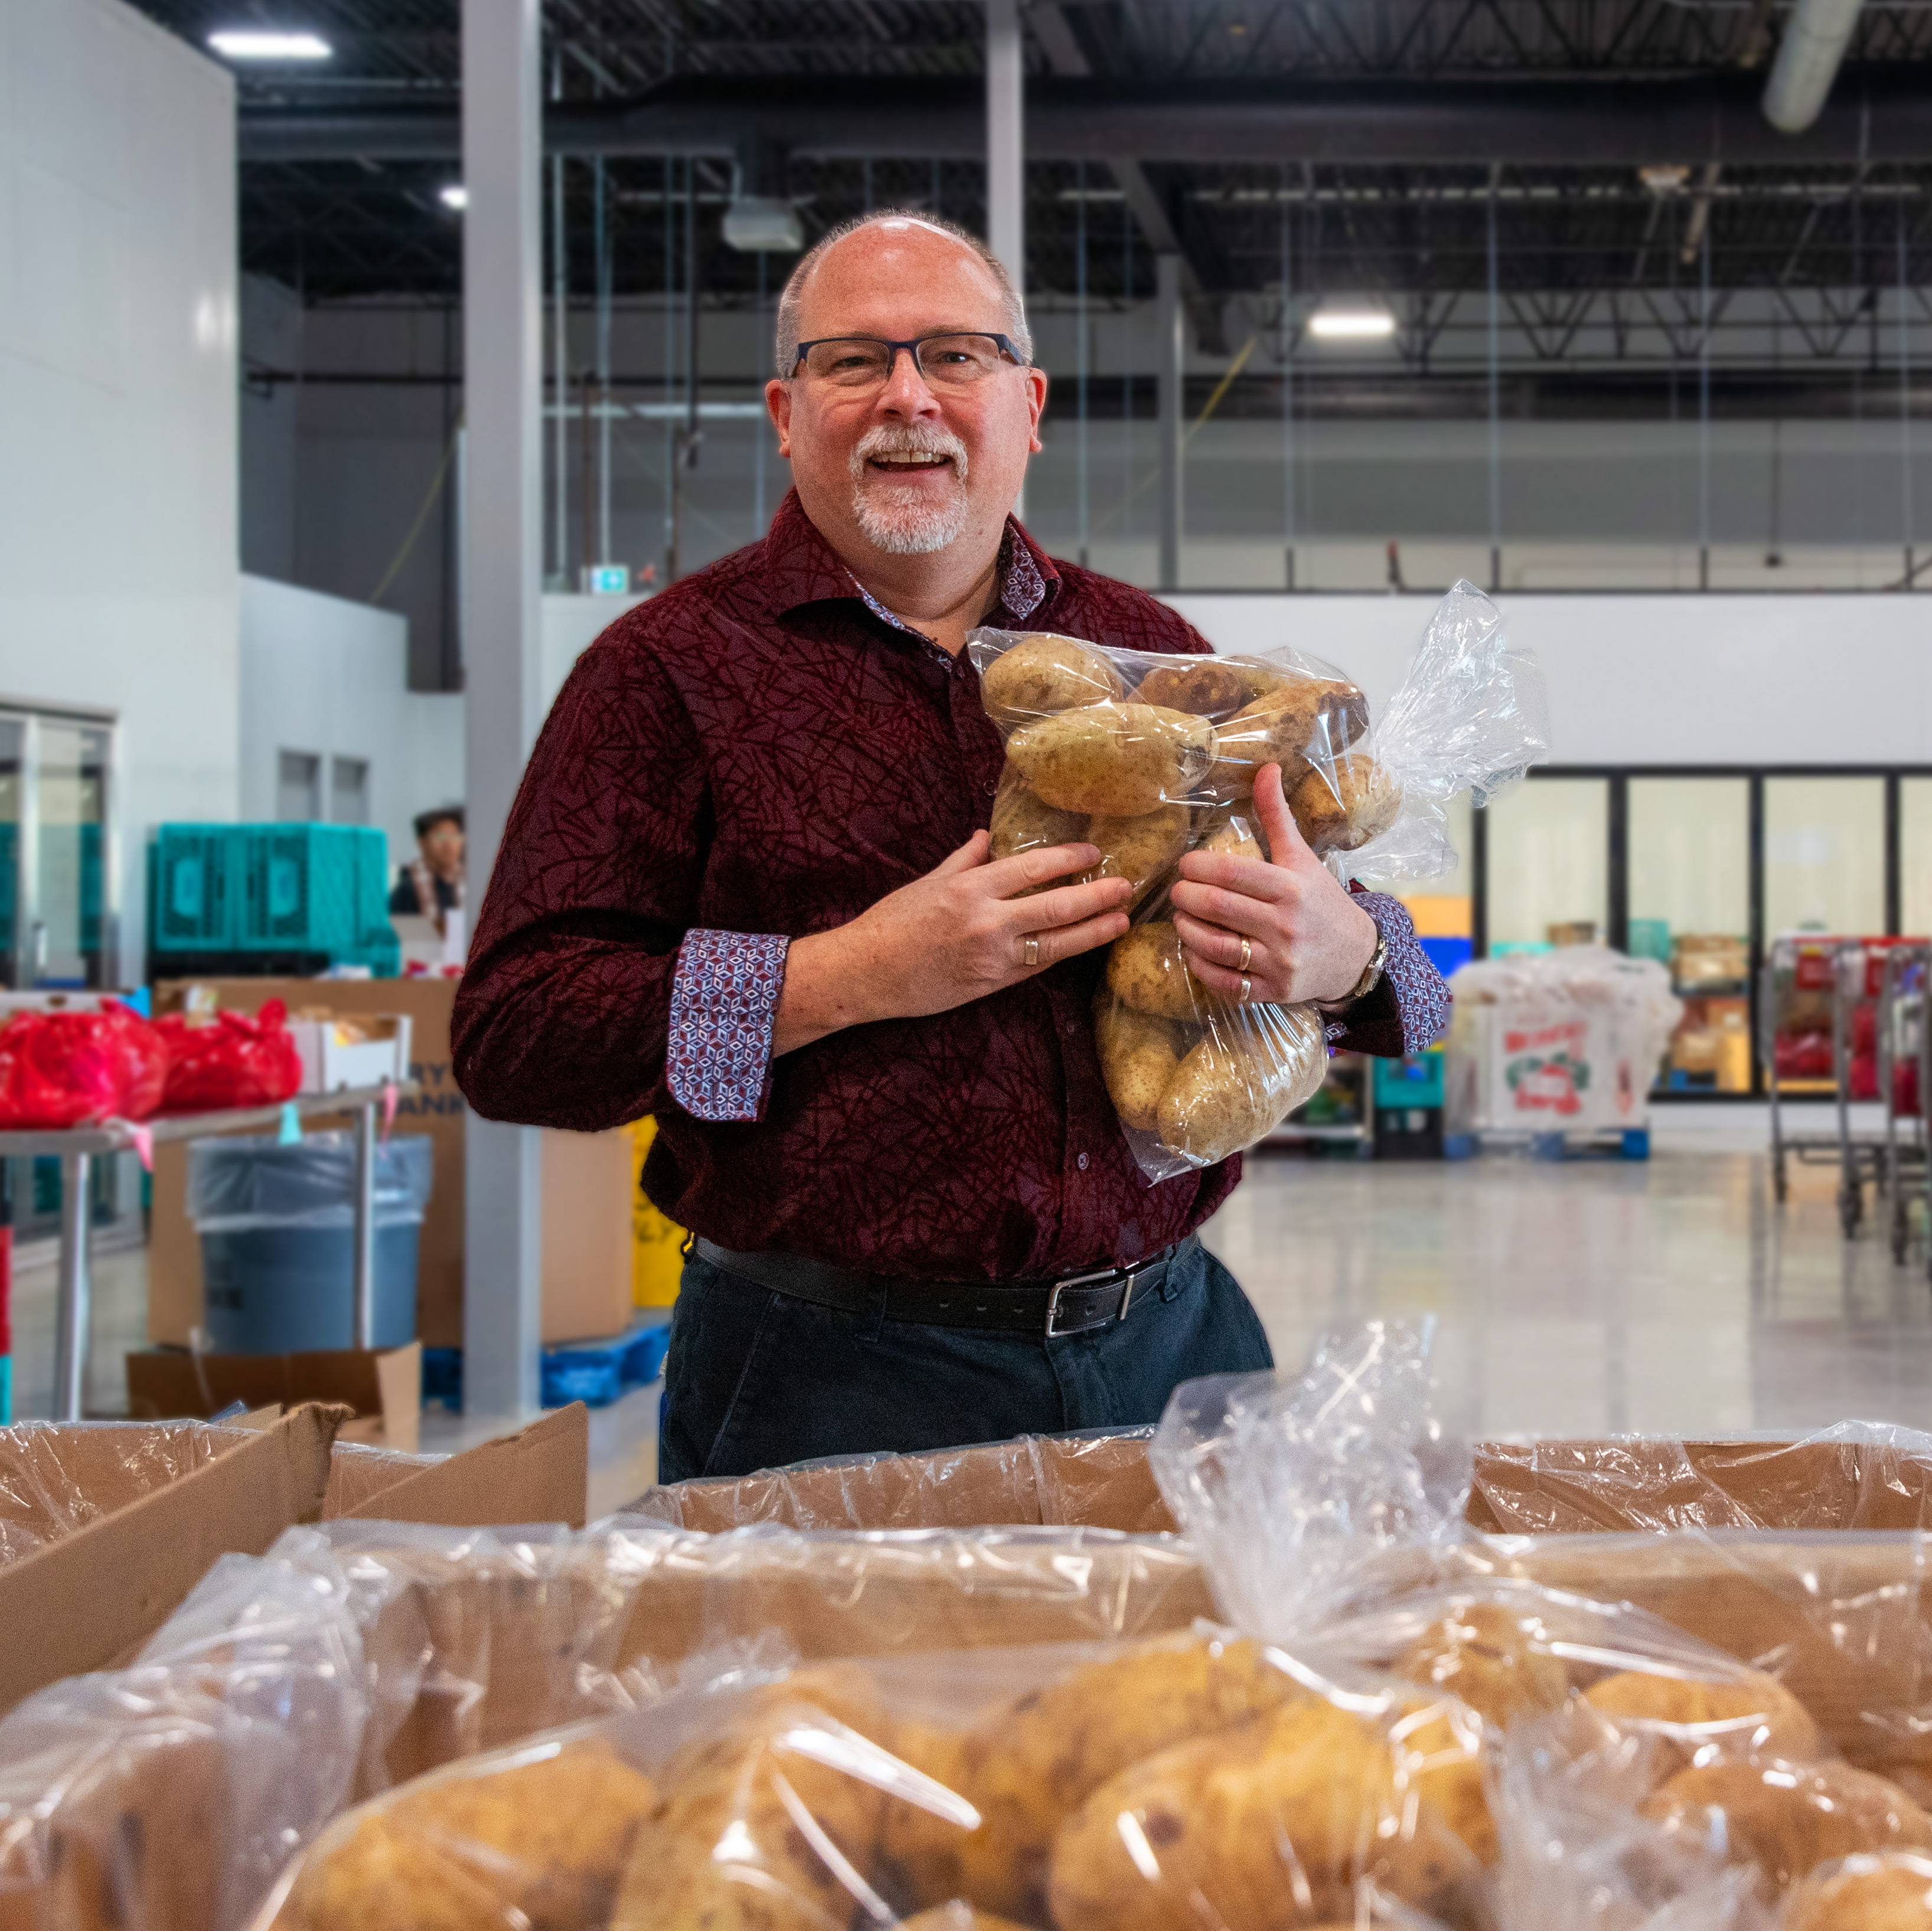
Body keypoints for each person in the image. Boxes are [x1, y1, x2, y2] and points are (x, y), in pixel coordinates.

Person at [452, 210, 1448, 1485]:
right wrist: (847, 976)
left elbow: (1414, 1002)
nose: (906, 396)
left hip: (1173, 1347)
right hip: (824, 1382)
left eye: (955, 356)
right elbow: (515, 1040)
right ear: (785, 407)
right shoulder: (667, 672)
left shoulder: (1146, 642)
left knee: (1175, 1695)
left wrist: (1349, 953)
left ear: (1026, 406)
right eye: (853, 360)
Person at [390, 807, 465, 934]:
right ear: (422, 843)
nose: (449, 844)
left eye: (455, 835)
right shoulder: (407, 889)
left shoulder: (472, 883)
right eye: (441, 836)